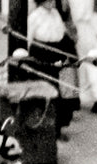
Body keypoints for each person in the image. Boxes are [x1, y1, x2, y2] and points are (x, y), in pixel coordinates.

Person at [27, 0, 80, 139]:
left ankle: (57, 128)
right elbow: (29, 39)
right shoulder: (34, 17)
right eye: (48, 0)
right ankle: (45, 127)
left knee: (60, 90)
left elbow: (61, 33)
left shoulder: (56, 14)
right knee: (47, 90)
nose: (52, 3)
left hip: (56, 52)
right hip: (42, 54)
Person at [66, 0, 97, 113]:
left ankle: (88, 97)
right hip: (84, 27)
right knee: (91, 62)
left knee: (86, 62)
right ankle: (94, 97)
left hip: (82, 27)